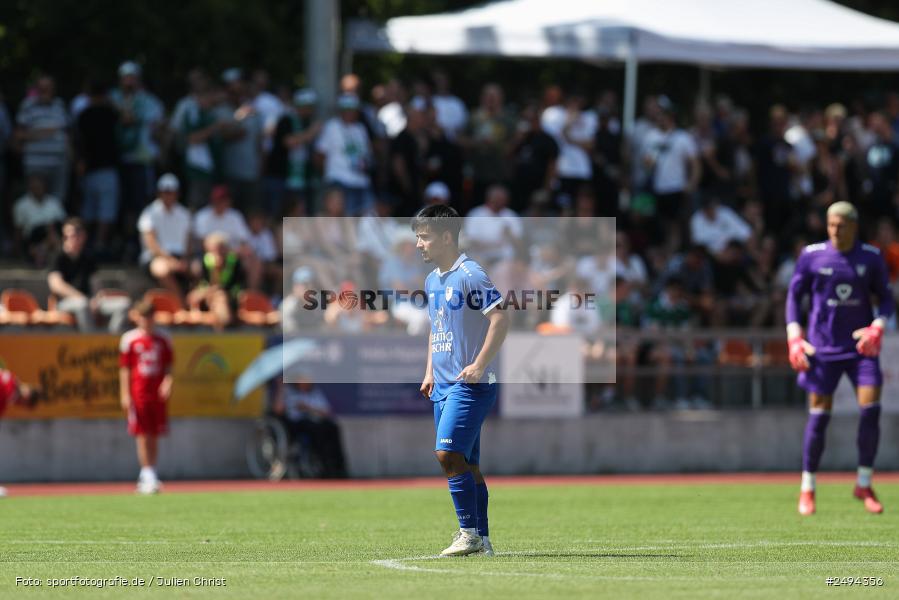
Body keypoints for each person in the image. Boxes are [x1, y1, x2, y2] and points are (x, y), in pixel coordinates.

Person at [786, 201, 895, 516]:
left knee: (871, 409)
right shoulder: (811, 256)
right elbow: (794, 297)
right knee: (819, 417)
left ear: (853, 226)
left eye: (841, 224)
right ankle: (808, 487)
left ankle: (864, 482)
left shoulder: (871, 258)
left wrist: (878, 325)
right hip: (822, 349)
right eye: (831, 224)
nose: (835, 230)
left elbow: (886, 298)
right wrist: (795, 336)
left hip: (861, 349)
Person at [413, 205, 509, 557]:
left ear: (447, 237)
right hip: (442, 383)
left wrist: (480, 364)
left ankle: (467, 533)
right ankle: (482, 540)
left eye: (425, 237)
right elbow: (436, 327)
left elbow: (500, 318)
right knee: (468, 464)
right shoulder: (432, 279)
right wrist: (428, 370)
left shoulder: (471, 274)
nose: (419, 244)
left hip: (469, 385)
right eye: (418, 237)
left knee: (446, 452)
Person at [119, 300, 174, 495]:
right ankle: (146, 473)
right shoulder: (129, 340)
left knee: (155, 433)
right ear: (136, 317)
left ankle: (151, 472)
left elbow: (168, 366)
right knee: (142, 433)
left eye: (150, 316)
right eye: (143, 317)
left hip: (156, 394)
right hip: (139, 393)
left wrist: (168, 382)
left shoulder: (164, 339)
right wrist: (125, 394)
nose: (147, 321)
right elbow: (125, 369)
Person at [48, 218, 130, 332]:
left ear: (83, 237)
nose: (70, 239)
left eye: (75, 235)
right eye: (66, 236)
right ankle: (91, 344)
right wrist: (81, 297)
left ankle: (112, 343)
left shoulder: (88, 257)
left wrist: (97, 298)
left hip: (89, 301)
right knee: (82, 304)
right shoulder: (57, 257)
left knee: (123, 304)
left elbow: (95, 282)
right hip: (65, 303)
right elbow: (56, 285)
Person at [274, 377, 347, 478]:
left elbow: (326, 411)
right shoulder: (288, 391)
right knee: (316, 430)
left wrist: (308, 408)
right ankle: (324, 466)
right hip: (298, 424)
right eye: (302, 378)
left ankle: (339, 467)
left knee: (333, 427)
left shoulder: (315, 392)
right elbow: (278, 410)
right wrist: (281, 387)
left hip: (315, 421)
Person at [138, 174, 192, 298]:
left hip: (180, 257)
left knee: (197, 269)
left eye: (170, 192)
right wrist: (169, 259)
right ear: (159, 193)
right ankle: (181, 305)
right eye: (165, 192)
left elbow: (188, 242)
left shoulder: (184, 214)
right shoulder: (149, 212)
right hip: (154, 257)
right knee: (163, 270)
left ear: (177, 193)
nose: (167, 195)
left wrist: (185, 260)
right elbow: (151, 243)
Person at [0, 368, 40, 497]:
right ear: (27, 395)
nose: (21, 405)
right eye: (25, 403)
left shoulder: (12, 383)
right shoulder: (10, 386)